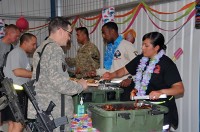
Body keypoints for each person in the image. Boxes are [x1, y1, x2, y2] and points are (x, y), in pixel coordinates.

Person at [102, 31, 184, 131]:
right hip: (144, 107)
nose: (142, 48)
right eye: (142, 44)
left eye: (146, 45)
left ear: (156, 48)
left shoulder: (166, 63)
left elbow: (179, 89)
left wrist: (161, 92)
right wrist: (112, 75)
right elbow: (124, 70)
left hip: (161, 110)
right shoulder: (141, 59)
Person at [28, 17, 88, 132]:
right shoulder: (55, 49)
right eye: (69, 33)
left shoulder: (41, 48)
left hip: (43, 107)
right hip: (55, 110)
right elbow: (59, 83)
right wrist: (80, 86)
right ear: (61, 31)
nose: (69, 37)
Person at [2, 33, 37, 132]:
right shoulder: (17, 52)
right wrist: (35, 74)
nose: (34, 47)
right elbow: (17, 71)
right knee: (19, 124)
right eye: (33, 44)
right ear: (25, 42)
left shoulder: (20, 53)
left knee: (13, 124)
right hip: (16, 93)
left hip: (13, 92)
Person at [0, 24, 20, 132]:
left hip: (5, 80)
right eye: (16, 36)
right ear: (10, 33)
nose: (17, 39)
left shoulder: (12, 48)